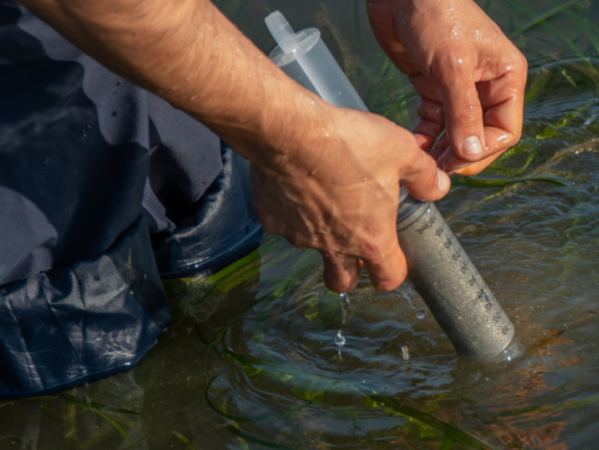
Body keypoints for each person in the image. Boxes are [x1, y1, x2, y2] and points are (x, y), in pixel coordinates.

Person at [0, 0, 526, 397]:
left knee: (217, 292)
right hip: (25, 136)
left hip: (175, 52)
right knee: (99, 399)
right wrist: (296, 143)